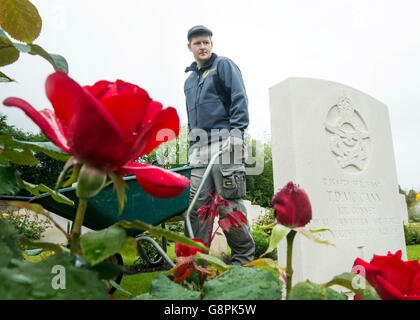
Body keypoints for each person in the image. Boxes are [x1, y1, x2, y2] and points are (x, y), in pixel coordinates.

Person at [183, 25, 255, 265]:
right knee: (197, 208)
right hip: (200, 151)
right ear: (189, 47)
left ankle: (242, 261)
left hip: (225, 144)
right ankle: (196, 264)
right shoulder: (189, 81)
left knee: (229, 206)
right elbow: (191, 118)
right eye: (197, 43)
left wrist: (237, 133)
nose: (202, 46)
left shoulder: (223, 65)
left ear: (212, 44)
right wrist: (192, 148)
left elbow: (238, 97)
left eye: (206, 42)